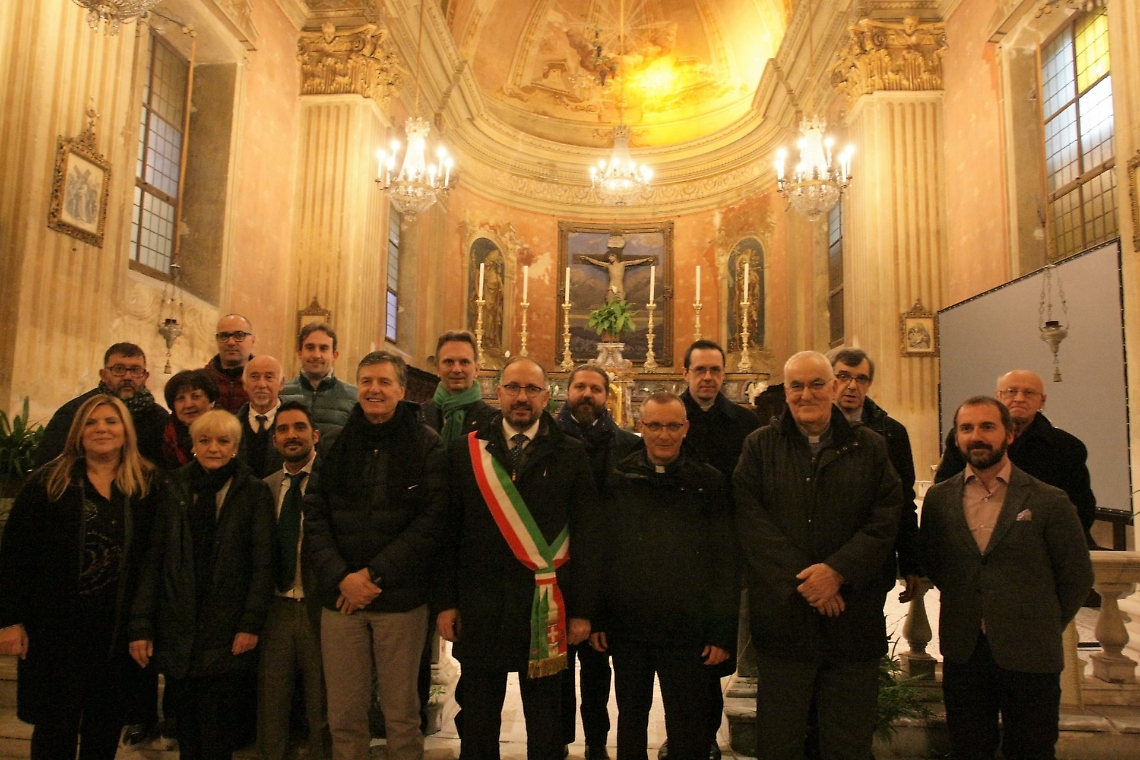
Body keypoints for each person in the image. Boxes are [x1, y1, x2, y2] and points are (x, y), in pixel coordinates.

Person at [734, 351, 902, 760]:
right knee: (781, 740)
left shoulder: (870, 446)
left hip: (851, 620)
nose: (806, 394)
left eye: (815, 384)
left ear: (832, 388)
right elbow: (750, 519)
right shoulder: (760, 446)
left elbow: (886, 516)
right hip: (785, 620)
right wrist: (809, 581)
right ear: (785, 391)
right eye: (796, 385)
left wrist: (839, 571)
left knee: (847, 741)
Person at [436, 357, 601, 760]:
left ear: (547, 396)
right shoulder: (465, 452)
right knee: (478, 721)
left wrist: (582, 611)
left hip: (544, 609)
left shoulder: (571, 453)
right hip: (480, 607)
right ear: (498, 393)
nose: (521, 398)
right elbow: (447, 533)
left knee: (546, 724)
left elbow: (588, 536)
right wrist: (445, 602)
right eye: (513, 388)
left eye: (531, 389)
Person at [920, 396, 1093, 760]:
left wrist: (1041, 623)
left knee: (1030, 748)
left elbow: (1076, 576)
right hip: (965, 651)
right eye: (966, 428)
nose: (976, 436)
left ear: (1009, 435)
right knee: (968, 747)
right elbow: (936, 564)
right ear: (956, 438)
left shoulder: (1049, 500)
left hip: (1031, 652)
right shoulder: (938, 500)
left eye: (987, 427)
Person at [302, 351, 447, 760]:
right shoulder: (334, 442)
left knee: (401, 713)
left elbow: (431, 521)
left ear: (402, 390)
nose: (374, 389)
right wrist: (342, 577)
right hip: (342, 598)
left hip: (400, 599)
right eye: (366, 381)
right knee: (344, 713)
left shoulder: (425, 444)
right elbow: (314, 515)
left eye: (384, 382)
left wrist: (374, 575)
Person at [0, 395, 160, 760]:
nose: (101, 429)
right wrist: (10, 620)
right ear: (78, 432)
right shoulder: (49, 483)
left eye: (110, 421)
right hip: (56, 632)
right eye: (91, 422)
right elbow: (14, 557)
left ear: (126, 431)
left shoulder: (146, 486)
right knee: (54, 731)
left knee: (103, 732)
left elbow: (155, 559)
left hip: (116, 636)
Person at [590, 393, 737, 760]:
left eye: (673, 426)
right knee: (631, 720)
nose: (664, 435)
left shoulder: (711, 482)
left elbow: (725, 562)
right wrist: (600, 618)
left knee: (687, 726)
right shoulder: (619, 478)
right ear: (640, 428)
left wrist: (721, 633)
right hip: (630, 628)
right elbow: (604, 556)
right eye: (654, 426)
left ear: (686, 428)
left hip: (688, 630)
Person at [129, 409, 275, 760]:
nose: (213, 448)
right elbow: (155, 560)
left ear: (236, 447)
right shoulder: (173, 488)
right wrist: (142, 625)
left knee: (218, 728)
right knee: (185, 727)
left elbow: (262, 564)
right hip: (179, 625)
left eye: (223, 441)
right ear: (192, 445)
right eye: (205, 440)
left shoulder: (253, 492)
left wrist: (250, 623)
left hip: (227, 627)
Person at [676, 339, 759, 760]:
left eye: (715, 370)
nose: (708, 378)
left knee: (712, 654)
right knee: (678, 656)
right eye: (700, 370)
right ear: (685, 373)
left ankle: (704, 737)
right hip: (676, 551)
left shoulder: (745, 423)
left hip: (722, 550)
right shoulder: (669, 418)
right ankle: (680, 735)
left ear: (724, 375)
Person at [556, 363, 641, 759]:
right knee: (554, 670)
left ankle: (596, 742)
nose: (586, 394)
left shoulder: (628, 445)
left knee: (596, 669)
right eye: (579, 387)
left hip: (606, 575)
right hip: (554, 572)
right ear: (566, 392)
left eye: (595, 388)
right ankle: (554, 739)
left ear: (608, 396)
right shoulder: (547, 439)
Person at [935, 369, 1097, 541]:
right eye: (1011, 392)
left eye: (1028, 393)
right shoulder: (972, 441)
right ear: (998, 396)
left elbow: (1081, 508)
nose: (1019, 399)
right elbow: (946, 491)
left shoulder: (1067, 447)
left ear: (1042, 400)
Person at [258, 401, 329, 760]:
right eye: (283, 429)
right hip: (278, 605)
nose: (291, 435)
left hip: (321, 607)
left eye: (299, 427)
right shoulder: (266, 488)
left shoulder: (332, 482)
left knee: (322, 705)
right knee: (272, 705)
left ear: (314, 435)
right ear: (274, 440)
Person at [829, 348, 921, 603]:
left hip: (872, 565)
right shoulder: (811, 427)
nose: (851, 386)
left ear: (869, 384)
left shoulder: (891, 434)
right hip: (821, 560)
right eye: (844, 376)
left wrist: (911, 563)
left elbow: (904, 501)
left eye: (860, 379)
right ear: (830, 380)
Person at [34, 342, 169, 468]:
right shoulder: (75, 412)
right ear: (103, 375)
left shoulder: (159, 418)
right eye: (119, 369)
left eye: (135, 370)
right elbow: (48, 465)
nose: (127, 377)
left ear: (145, 376)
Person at [421, 330, 496, 447]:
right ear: (437, 368)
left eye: (464, 362)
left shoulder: (493, 421)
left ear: (477, 369)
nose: (456, 369)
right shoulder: (420, 417)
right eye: (449, 361)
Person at [280, 323, 357, 437]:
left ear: (334, 355)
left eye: (323, 348)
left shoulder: (354, 397)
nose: (316, 355)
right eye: (310, 347)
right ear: (300, 353)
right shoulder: (281, 393)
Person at [160, 369, 220, 470]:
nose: (188, 405)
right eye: (180, 398)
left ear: (211, 401)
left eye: (195, 396)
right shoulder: (164, 436)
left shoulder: (228, 431)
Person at [237, 355, 286, 478]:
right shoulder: (231, 426)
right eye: (254, 377)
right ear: (244, 384)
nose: (261, 384)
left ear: (281, 383)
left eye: (269, 377)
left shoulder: (295, 425)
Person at [206, 314, 257, 413]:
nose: (231, 342)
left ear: (253, 340)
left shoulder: (264, 381)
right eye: (224, 336)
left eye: (239, 335)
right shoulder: (203, 381)